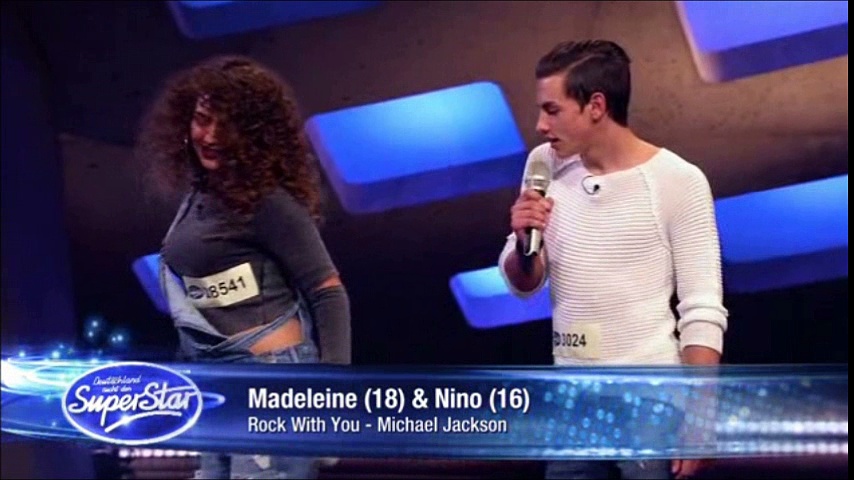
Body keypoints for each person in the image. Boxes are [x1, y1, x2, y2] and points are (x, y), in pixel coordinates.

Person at [498, 40, 727, 479]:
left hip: (651, 401)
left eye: (552, 110)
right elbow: (524, 284)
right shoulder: (543, 164)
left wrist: (701, 415)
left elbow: (702, 307)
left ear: (596, 106)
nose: (540, 125)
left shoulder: (678, 181)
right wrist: (525, 243)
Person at [137, 55, 351, 479]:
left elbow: (328, 294)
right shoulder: (200, 195)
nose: (211, 135)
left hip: (273, 383)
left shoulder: (270, 204)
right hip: (216, 384)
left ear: (255, 134)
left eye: (229, 125)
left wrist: (333, 402)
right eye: (203, 120)